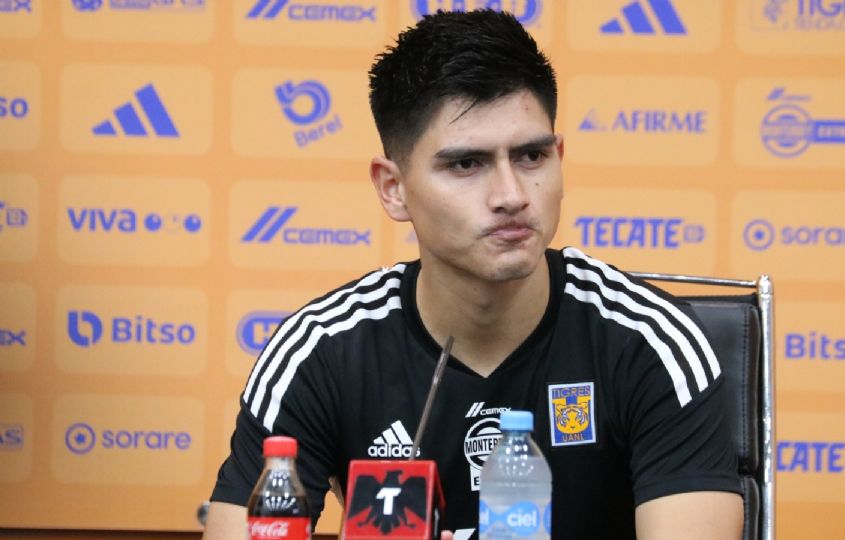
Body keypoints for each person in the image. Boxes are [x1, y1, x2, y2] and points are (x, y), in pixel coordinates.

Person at [203, 9, 743, 540]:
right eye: (466, 164)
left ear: (560, 158)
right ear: (393, 188)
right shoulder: (320, 350)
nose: (511, 196)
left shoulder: (651, 342)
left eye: (531, 156)